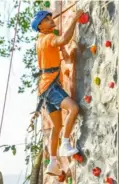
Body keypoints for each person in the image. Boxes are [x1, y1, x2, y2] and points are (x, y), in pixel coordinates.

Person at [31, 9, 83, 176]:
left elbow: (65, 54)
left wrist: (63, 49)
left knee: (57, 126)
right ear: (40, 26)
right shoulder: (48, 38)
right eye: (46, 19)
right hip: (51, 87)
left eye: (50, 17)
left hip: (44, 87)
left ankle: (53, 162)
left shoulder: (42, 40)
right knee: (73, 108)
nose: (50, 19)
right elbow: (64, 39)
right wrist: (74, 19)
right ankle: (65, 143)